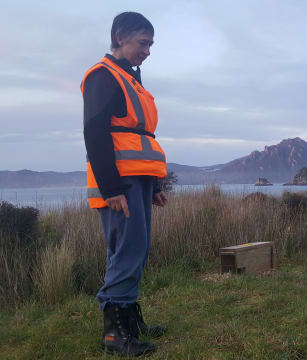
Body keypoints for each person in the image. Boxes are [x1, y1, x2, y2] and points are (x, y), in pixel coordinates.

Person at [82, 12, 168, 356]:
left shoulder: (130, 79)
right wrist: (111, 188)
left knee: (137, 249)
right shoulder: (103, 77)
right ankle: (115, 335)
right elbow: (95, 133)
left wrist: (157, 183)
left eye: (150, 45)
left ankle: (129, 319)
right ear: (120, 36)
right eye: (142, 43)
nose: (147, 51)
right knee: (126, 250)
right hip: (120, 180)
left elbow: (141, 139)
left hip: (139, 178)